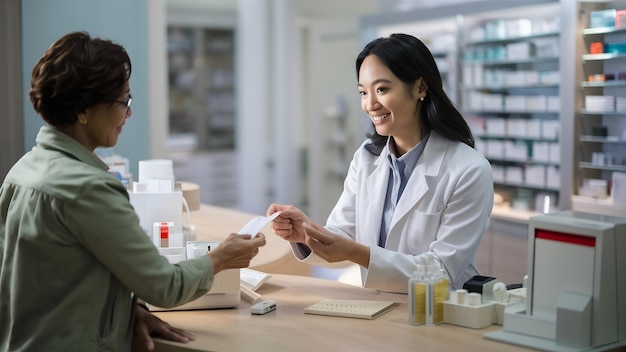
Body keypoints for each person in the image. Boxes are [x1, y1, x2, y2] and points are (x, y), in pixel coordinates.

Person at [0, 31, 266, 352]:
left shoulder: (23, 171)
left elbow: (53, 282)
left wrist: (128, 312)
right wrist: (220, 258)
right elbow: (165, 286)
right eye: (123, 101)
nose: (129, 113)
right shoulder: (88, 188)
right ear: (83, 109)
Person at [268, 33, 493, 293]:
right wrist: (306, 234)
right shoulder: (366, 157)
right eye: (363, 92)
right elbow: (343, 234)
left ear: (420, 87)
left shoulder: (469, 170)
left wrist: (359, 254)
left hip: (442, 312)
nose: (370, 104)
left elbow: (441, 270)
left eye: (382, 89)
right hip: (378, 306)